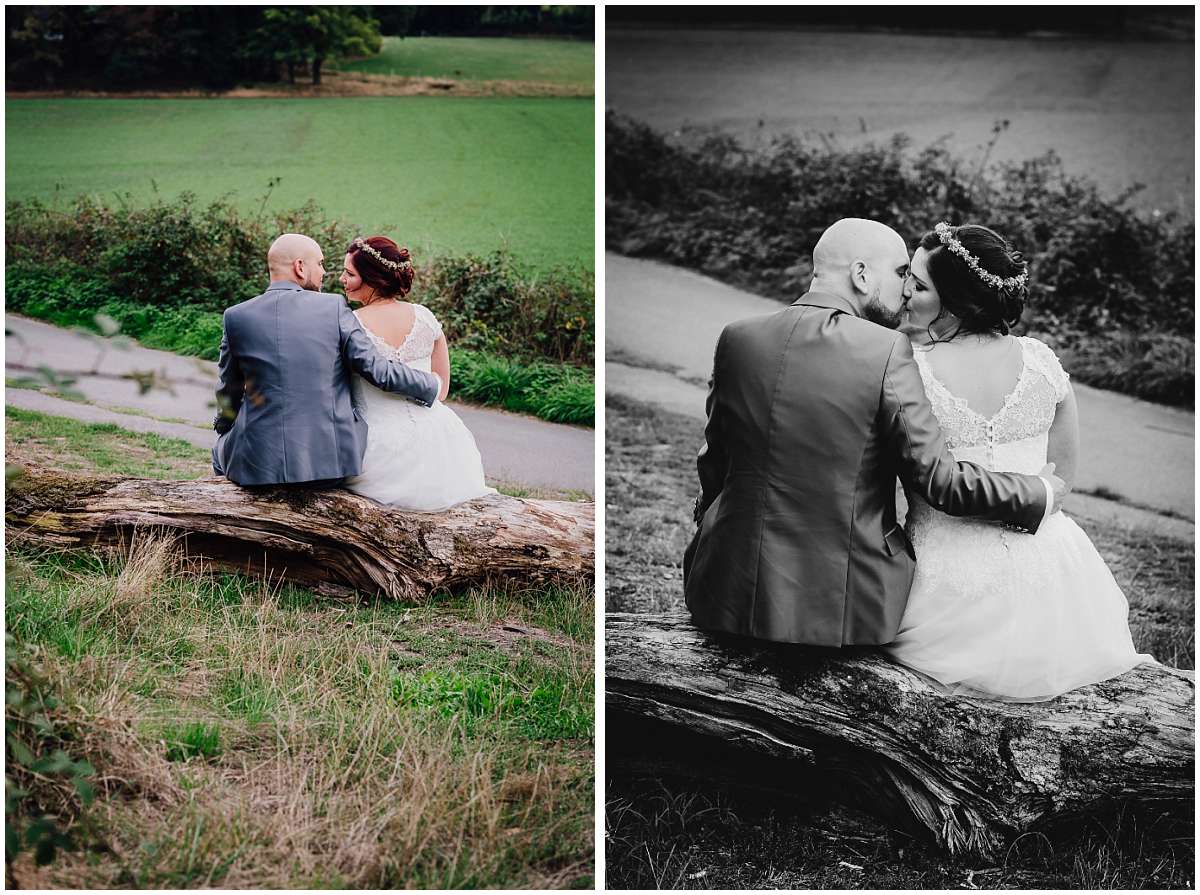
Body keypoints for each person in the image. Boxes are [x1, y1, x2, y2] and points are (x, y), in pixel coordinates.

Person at [683, 218, 1066, 646]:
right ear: (861, 275)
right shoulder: (886, 351)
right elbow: (939, 480)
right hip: (844, 609)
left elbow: (713, 461)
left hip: (724, 593)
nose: (906, 289)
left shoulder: (737, 338)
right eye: (902, 273)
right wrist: (1039, 491)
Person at [883, 222, 1153, 700]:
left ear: (958, 302)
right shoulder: (1041, 361)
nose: (905, 291)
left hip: (947, 586)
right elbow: (1063, 480)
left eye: (919, 285)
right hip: (1056, 580)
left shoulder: (907, 368)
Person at [212, 233, 440, 486]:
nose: (324, 273)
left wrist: (225, 426)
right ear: (300, 267)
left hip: (258, 468)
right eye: (319, 264)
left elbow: (228, 391)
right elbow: (377, 369)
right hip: (330, 466)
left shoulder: (236, 316)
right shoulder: (333, 308)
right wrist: (431, 384)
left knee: (220, 450)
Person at [339, 236, 493, 511]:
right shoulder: (425, 317)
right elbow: (441, 389)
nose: (341, 279)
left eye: (349, 273)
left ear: (372, 278)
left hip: (377, 450)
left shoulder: (350, 324)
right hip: (441, 445)